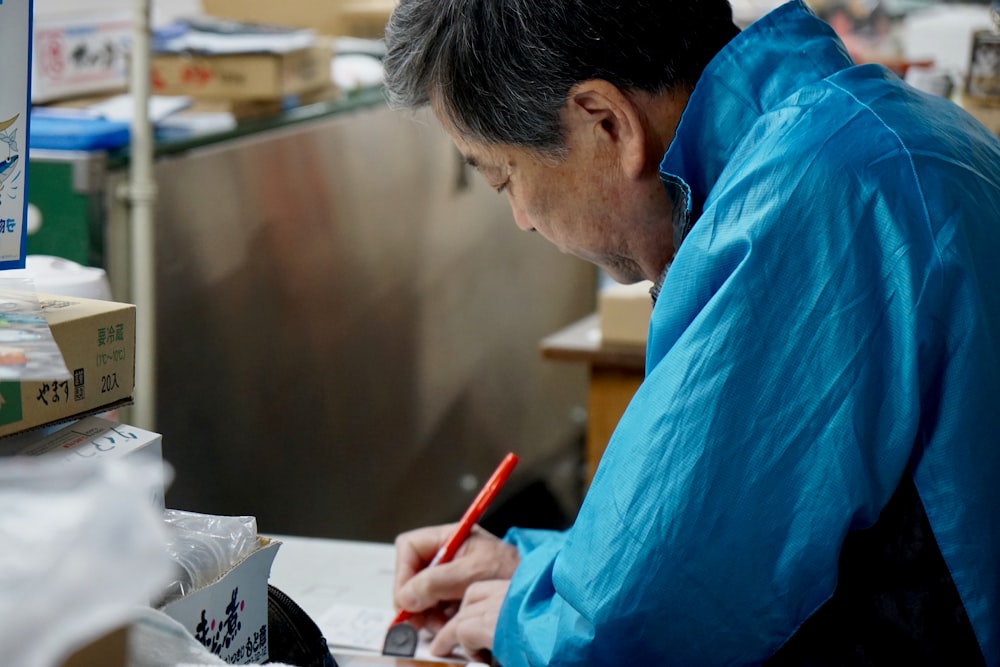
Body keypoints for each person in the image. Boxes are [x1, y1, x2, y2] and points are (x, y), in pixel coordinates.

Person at [381, 0, 1000, 664]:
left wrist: (527, 616)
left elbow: (640, 628)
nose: (523, 219)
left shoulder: (804, 200)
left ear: (606, 123)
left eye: (505, 177)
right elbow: (715, 534)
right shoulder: (868, 127)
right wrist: (531, 571)